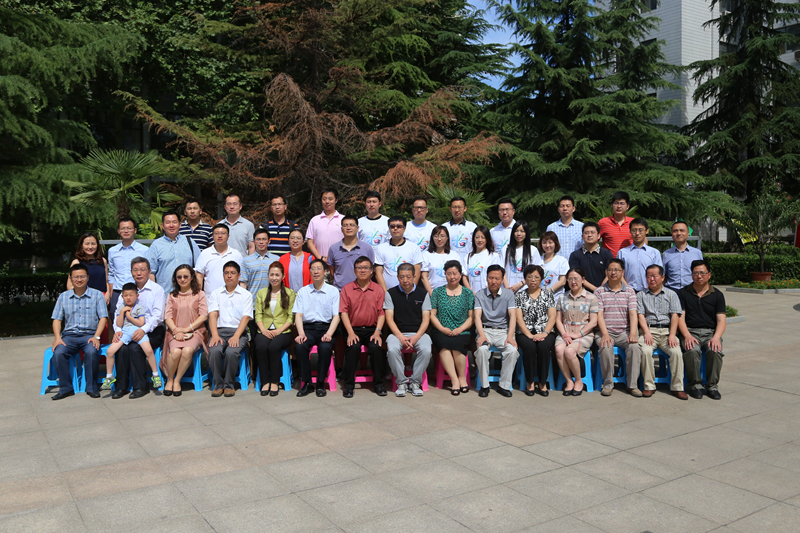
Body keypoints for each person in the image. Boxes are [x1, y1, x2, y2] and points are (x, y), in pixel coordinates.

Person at [49, 264, 108, 400]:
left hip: (89, 335)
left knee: (91, 352)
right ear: (70, 278)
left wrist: (97, 336)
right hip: (69, 336)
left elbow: (103, 317)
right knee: (58, 353)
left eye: (82, 276)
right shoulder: (63, 297)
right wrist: (57, 338)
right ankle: (66, 388)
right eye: (76, 277)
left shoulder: (97, 295)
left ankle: (91, 387)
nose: (79, 279)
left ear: (88, 277)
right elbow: (57, 319)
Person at [110, 257, 165, 399]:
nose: (139, 273)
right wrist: (118, 331)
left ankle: (141, 386)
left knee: (135, 348)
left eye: (142, 269)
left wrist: (143, 330)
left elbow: (158, 316)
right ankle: (121, 386)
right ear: (131, 272)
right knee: (121, 348)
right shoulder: (127, 290)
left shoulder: (157, 289)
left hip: (152, 330)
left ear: (149, 271)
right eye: (135, 270)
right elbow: (118, 313)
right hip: (127, 329)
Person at [339, 257, 387, 398]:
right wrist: (350, 333)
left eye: (366, 267)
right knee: (353, 347)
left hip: (373, 329)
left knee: (376, 348)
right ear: (354, 271)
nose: (362, 270)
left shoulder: (378, 289)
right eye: (359, 267)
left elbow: (381, 313)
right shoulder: (347, 289)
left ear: (372, 271)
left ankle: (379, 384)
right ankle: (349, 386)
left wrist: (377, 332)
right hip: (353, 329)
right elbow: (343, 312)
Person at [677, 259, 726, 400]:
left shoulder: (717, 295)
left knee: (715, 351)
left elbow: (721, 320)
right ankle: (695, 385)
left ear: (709, 275)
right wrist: (687, 335)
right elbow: (680, 318)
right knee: (692, 350)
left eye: (702, 273)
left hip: (710, 332)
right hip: (690, 331)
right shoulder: (683, 293)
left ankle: (712, 386)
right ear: (691, 275)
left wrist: (716, 337)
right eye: (696, 273)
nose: (699, 276)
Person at [637, 264, 687, 400]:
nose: (651, 279)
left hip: (667, 332)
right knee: (645, 351)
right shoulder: (641, 295)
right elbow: (640, 315)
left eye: (655, 276)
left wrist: (672, 334)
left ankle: (677, 387)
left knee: (676, 352)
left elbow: (675, 315)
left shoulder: (672, 294)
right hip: (649, 331)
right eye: (648, 276)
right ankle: (649, 386)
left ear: (662, 277)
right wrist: (646, 332)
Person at [594, 259, 642, 397]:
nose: (613, 272)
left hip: (624, 332)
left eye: (616, 270)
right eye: (610, 270)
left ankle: (632, 385)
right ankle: (608, 384)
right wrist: (605, 334)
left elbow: (633, 314)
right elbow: (599, 315)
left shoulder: (630, 291)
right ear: (606, 272)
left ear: (622, 272)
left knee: (634, 347)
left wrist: (633, 333)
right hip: (605, 331)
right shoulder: (599, 291)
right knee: (606, 346)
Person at [293, 259, 341, 397]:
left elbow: (336, 316)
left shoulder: (333, 291)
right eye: (313, 269)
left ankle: (320, 384)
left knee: (325, 348)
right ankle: (307, 383)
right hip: (308, 329)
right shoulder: (303, 291)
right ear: (310, 272)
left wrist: (329, 334)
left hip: (326, 328)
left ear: (325, 272)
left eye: (319, 268)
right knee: (300, 346)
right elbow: (298, 315)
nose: (316, 271)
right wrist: (301, 333)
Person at [384, 263, 433, 397]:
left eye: (408, 277)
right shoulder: (390, 293)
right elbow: (389, 319)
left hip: (419, 333)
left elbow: (426, 320)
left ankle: (415, 382)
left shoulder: (423, 293)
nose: (405, 280)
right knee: (392, 350)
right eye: (402, 277)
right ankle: (401, 382)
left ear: (414, 276)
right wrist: (400, 336)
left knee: (426, 350)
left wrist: (417, 337)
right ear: (397, 277)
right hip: (397, 333)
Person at [207, 261, 253, 397]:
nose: (229, 276)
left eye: (233, 273)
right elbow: (213, 315)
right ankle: (218, 385)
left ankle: (229, 385)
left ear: (239, 275)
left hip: (238, 332)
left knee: (231, 352)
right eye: (226, 273)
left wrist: (236, 336)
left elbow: (246, 318)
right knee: (214, 351)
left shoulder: (246, 295)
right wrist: (214, 335)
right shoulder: (216, 294)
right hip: (219, 331)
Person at [103, 283, 161, 391]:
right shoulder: (121, 308)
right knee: (110, 351)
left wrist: (129, 317)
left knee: (148, 351)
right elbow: (119, 324)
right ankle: (109, 376)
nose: (128, 298)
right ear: (122, 296)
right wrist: (122, 312)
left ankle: (155, 375)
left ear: (137, 296)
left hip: (138, 331)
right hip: (125, 332)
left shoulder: (139, 308)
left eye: (131, 295)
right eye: (125, 295)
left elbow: (141, 323)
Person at [162, 264, 208, 397]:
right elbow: (168, 317)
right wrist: (176, 330)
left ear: (192, 277)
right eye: (179, 277)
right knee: (175, 352)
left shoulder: (199, 294)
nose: (182, 279)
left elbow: (203, 316)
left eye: (186, 276)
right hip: (175, 332)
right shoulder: (172, 295)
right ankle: (170, 380)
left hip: (195, 332)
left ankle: (177, 380)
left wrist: (187, 329)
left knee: (187, 350)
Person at [474, 265, 519, 398]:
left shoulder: (509, 294)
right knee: (482, 350)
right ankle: (484, 385)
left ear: (502, 279)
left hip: (503, 331)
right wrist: (481, 335)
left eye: (497, 278)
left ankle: (503, 386)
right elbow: (477, 317)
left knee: (512, 351)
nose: (493, 281)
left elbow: (513, 316)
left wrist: (510, 336)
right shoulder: (480, 294)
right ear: (486, 278)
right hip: (485, 330)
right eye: (491, 278)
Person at [430, 260, 474, 395]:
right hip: (441, 331)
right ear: (445, 274)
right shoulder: (437, 292)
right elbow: (432, 315)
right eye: (449, 273)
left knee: (457, 345)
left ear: (460, 275)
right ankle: (454, 379)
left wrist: (460, 329)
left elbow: (471, 317)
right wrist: (442, 329)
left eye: (455, 273)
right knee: (444, 345)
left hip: (462, 331)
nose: (452, 277)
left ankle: (462, 378)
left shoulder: (468, 293)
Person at [253, 262, 296, 396]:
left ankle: (275, 382)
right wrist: (263, 330)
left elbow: (290, 317)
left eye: (277, 275)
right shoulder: (261, 293)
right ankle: (265, 381)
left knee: (274, 347)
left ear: (283, 276)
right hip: (264, 329)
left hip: (283, 331)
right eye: (271, 274)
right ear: (268, 276)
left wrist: (279, 331)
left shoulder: (289, 293)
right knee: (261, 347)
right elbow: (258, 315)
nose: (274, 278)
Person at [554, 268, 598, 396]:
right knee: (559, 349)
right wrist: (564, 334)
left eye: (576, 278)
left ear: (583, 280)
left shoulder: (591, 298)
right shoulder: (562, 297)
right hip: (566, 331)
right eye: (570, 279)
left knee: (569, 351)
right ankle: (569, 381)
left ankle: (578, 381)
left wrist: (579, 334)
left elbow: (593, 322)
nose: (573, 282)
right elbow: (558, 320)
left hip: (584, 333)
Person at [514, 265, 556, 397]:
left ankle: (543, 383)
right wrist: (529, 335)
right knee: (530, 347)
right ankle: (530, 382)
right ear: (525, 279)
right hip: (524, 332)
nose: (533, 280)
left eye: (536, 277)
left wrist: (544, 333)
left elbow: (552, 317)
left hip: (545, 331)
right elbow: (519, 318)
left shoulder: (548, 294)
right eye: (530, 277)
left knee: (543, 347)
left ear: (541, 279)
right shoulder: (519, 295)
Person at [148, 210, 201, 295]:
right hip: (165, 295)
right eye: (168, 222)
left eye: (174, 222)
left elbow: (199, 269)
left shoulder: (189, 242)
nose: (171, 225)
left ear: (180, 225)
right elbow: (151, 272)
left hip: (188, 295)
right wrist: (154, 294)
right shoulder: (156, 245)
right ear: (162, 226)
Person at [107, 217, 149, 316]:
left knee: (138, 316)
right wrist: (111, 292)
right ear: (118, 231)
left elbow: (148, 272)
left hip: (137, 290)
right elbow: (111, 273)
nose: (126, 231)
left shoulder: (144, 250)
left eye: (129, 228)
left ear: (135, 230)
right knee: (114, 315)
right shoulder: (112, 251)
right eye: (123, 228)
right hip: (118, 291)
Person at [375, 216, 423, 291]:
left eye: (399, 226)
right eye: (392, 226)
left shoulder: (414, 248)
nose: (395, 229)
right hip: (387, 291)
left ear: (404, 228)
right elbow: (378, 273)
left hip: (408, 291)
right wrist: (385, 292)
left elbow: (417, 272)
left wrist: (411, 290)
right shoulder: (381, 248)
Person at [327, 215, 375, 290]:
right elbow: (332, 270)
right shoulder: (334, 248)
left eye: (352, 225)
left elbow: (371, 270)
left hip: (361, 290)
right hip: (340, 290)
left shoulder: (367, 248)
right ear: (341, 229)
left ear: (357, 228)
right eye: (345, 225)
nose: (348, 228)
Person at [195, 223, 244, 295]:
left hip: (232, 296)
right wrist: (199, 295)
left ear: (228, 236)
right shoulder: (205, 253)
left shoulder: (236, 254)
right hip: (209, 297)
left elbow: (241, 276)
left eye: (223, 233)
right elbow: (199, 275)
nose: (220, 236)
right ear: (212, 236)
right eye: (216, 233)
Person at [618, 218, 663, 292]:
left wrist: (650, 287)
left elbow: (659, 273)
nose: (637, 233)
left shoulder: (654, 253)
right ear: (630, 231)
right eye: (634, 230)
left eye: (641, 230)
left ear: (647, 231)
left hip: (649, 291)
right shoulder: (622, 253)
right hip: (628, 291)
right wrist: (627, 288)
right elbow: (619, 273)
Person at [568, 221, 614, 292]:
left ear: (598, 236)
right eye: (586, 233)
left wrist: (601, 290)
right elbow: (577, 276)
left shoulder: (606, 253)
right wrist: (595, 290)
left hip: (604, 292)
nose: (589, 235)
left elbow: (609, 274)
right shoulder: (575, 255)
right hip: (582, 293)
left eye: (592, 232)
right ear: (582, 236)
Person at [66, 232, 110, 304]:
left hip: (102, 298)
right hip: (84, 299)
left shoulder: (103, 261)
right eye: (87, 244)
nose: (90, 247)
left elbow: (106, 282)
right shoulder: (76, 262)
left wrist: (108, 294)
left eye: (93, 244)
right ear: (81, 246)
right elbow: (70, 285)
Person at [421, 226, 463, 294]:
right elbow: (424, 277)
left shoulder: (454, 255)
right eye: (436, 236)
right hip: (433, 293)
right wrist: (432, 294)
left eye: (442, 236)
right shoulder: (426, 255)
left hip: (452, 294)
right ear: (432, 238)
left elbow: (459, 275)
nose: (439, 239)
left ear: (447, 237)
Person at [663, 221, 704, 291]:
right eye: (675, 231)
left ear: (688, 233)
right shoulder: (666, 254)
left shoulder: (697, 253)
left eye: (682, 230)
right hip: (672, 291)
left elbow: (702, 274)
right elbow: (663, 276)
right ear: (672, 233)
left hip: (691, 291)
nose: (679, 233)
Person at [306, 187, 344, 262]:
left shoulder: (343, 219)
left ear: (336, 200)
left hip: (340, 261)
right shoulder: (315, 220)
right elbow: (310, 242)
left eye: (330, 199)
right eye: (324, 199)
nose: (327, 201)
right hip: (319, 262)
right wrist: (320, 258)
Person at [504, 221, 542, 293]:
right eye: (516, 231)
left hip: (526, 290)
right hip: (508, 290)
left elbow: (537, 271)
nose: (519, 234)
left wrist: (520, 284)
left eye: (522, 231)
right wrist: (507, 288)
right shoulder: (505, 249)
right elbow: (501, 270)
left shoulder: (533, 250)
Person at [241, 228, 281, 296]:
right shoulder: (246, 260)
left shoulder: (277, 259)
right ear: (254, 241)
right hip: (253, 299)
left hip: (272, 299)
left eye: (264, 239)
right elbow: (243, 283)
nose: (261, 242)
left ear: (269, 241)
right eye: (258, 239)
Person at [463, 226, 502, 293]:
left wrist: (484, 293)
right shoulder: (468, 257)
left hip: (488, 294)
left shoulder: (493, 256)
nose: (480, 240)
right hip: (472, 295)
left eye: (483, 237)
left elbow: (496, 276)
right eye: (477, 237)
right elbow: (464, 277)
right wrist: (471, 292)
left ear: (487, 239)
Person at [546, 195, 584, 260]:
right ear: (558, 209)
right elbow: (547, 247)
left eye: (568, 206)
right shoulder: (551, 228)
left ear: (573, 209)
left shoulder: (581, 227)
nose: (565, 208)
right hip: (557, 263)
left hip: (576, 263)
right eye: (562, 206)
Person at [598, 191, 634, 257]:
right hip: (609, 261)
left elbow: (642, 240)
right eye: (616, 203)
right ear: (612, 205)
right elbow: (594, 241)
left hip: (629, 260)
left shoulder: (633, 223)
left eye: (622, 203)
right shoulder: (603, 222)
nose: (619, 206)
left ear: (627, 206)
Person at [539, 231, 569, 299]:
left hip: (556, 298)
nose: (547, 245)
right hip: (539, 298)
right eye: (544, 243)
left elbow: (563, 281)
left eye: (550, 242)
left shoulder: (561, 260)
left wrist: (548, 292)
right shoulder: (537, 260)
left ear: (555, 243)